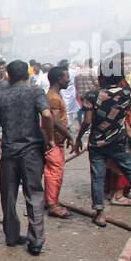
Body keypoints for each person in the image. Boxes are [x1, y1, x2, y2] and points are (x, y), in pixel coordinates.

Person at [75, 54, 131, 227]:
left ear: (101, 76)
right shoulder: (127, 93)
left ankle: (100, 214)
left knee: (98, 177)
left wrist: (79, 139)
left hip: (97, 143)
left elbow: (87, 121)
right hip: (118, 141)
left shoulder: (92, 96)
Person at [0, 59, 53, 255]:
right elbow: (48, 115)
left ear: (9, 75)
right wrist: (49, 139)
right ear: (27, 73)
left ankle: (11, 236)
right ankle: (35, 241)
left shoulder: (0, 97)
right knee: (33, 194)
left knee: (8, 195)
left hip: (9, 152)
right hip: (32, 151)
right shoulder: (34, 91)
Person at [44, 65, 75, 219]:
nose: (69, 80)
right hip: (53, 142)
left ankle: (50, 200)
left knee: (54, 171)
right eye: (66, 77)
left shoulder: (54, 96)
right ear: (59, 79)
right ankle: (52, 204)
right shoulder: (53, 98)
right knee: (54, 172)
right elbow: (55, 122)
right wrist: (70, 136)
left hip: (56, 140)